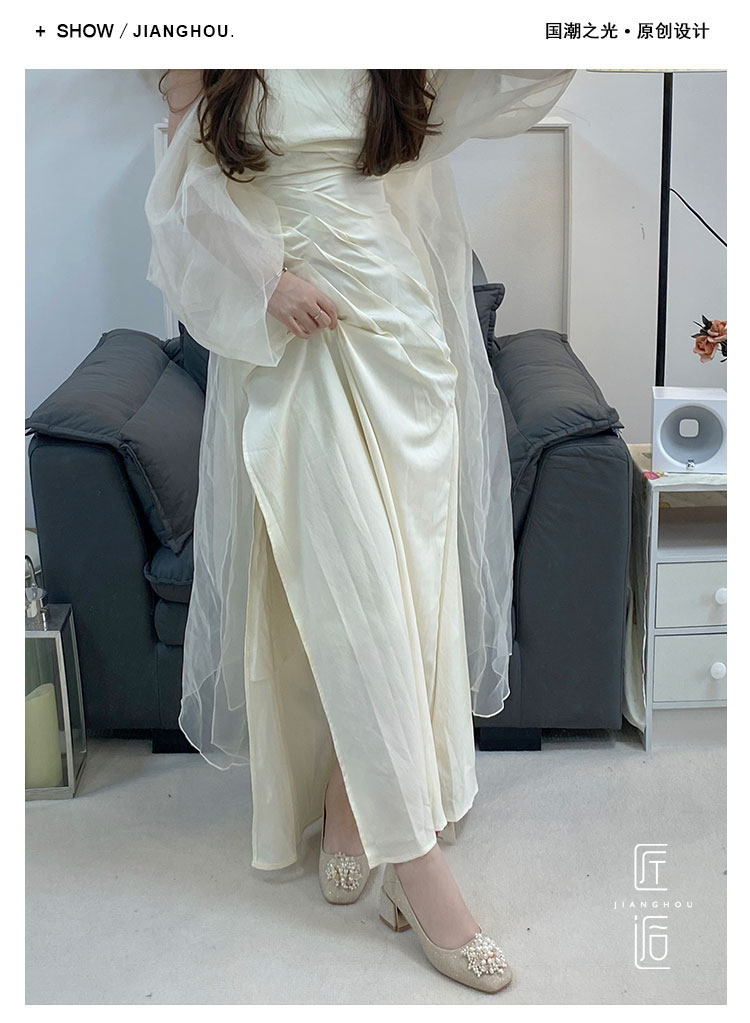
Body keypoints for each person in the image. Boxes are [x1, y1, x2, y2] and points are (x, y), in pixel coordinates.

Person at [145, 68, 576, 995]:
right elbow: (182, 196)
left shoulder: (391, 45)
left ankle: (352, 799)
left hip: (402, 332)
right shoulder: (217, 50)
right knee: (353, 595)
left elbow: (515, 79)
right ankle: (420, 872)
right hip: (298, 341)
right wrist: (268, 280)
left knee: (409, 586)